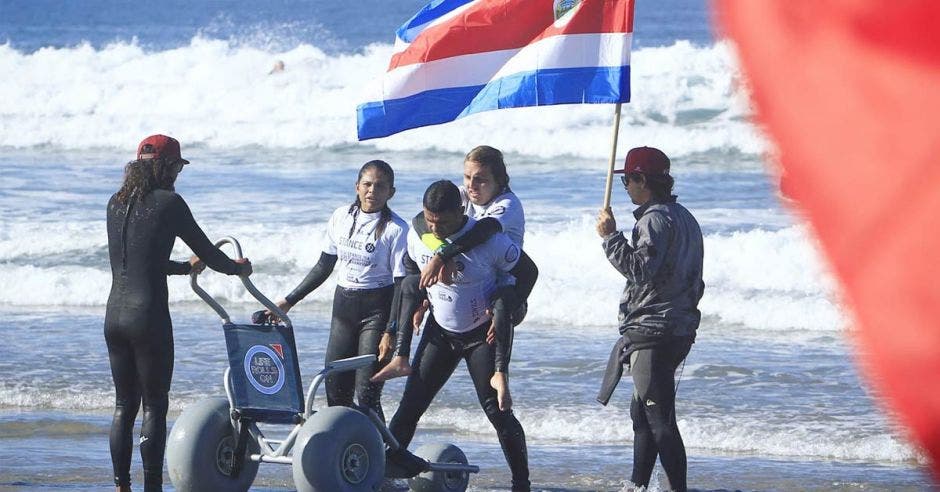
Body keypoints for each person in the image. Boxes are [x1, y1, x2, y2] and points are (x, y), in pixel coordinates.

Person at [105, 135, 252, 492]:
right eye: (175, 167)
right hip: (148, 317)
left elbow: (140, 262)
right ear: (164, 166)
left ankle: (121, 486)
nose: (177, 174)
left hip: (114, 317)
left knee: (125, 405)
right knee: (155, 405)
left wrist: (185, 268)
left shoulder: (115, 202)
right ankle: (152, 488)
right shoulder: (170, 204)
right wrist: (238, 268)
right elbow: (211, 253)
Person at [385, 180, 537, 492]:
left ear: (460, 212)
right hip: (440, 332)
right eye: (429, 220)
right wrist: (421, 303)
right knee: (411, 405)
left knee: (497, 412)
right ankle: (384, 474)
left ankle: (522, 483)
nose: (434, 228)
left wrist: (507, 307)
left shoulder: (490, 242)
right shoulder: (420, 235)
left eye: (441, 222)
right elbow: (413, 269)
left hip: (481, 336)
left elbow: (529, 272)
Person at [373, 145, 524, 411]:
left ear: (499, 180)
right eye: (467, 177)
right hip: (461, 292)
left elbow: (483, 232)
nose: (471, 185)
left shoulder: (507, 205)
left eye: (480, 179)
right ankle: (401, 355)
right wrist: (430, 290)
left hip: (501, 296)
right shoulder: (463, 195)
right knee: (412, 284)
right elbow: (421, 221)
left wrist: (442, 257)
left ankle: (502, 373)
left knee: (496, 411)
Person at [594, 147, 704, 492]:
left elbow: (640, 269)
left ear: (643, 180)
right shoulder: (683, 216)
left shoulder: (653, 219)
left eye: (628, 179)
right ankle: (637, 486)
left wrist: (610, 237)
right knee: (642, 415)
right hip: (678, 328)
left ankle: (677, 488)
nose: (625, 186)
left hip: (654, 331)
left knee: (659, 420)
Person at [270, 160, 407, 421]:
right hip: (343, 309)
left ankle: (381, 453)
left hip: (377, 311)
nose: (372, 191)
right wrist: (288, 301)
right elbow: (323, 266)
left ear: (391, 192)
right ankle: (344, 451)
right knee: (335, 391)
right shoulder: (341, 217)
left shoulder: (396, 230)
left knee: (366, 393)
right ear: (357, 186)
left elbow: (402, 286)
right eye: (367, 184)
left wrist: (391, 330)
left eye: (380, 187)